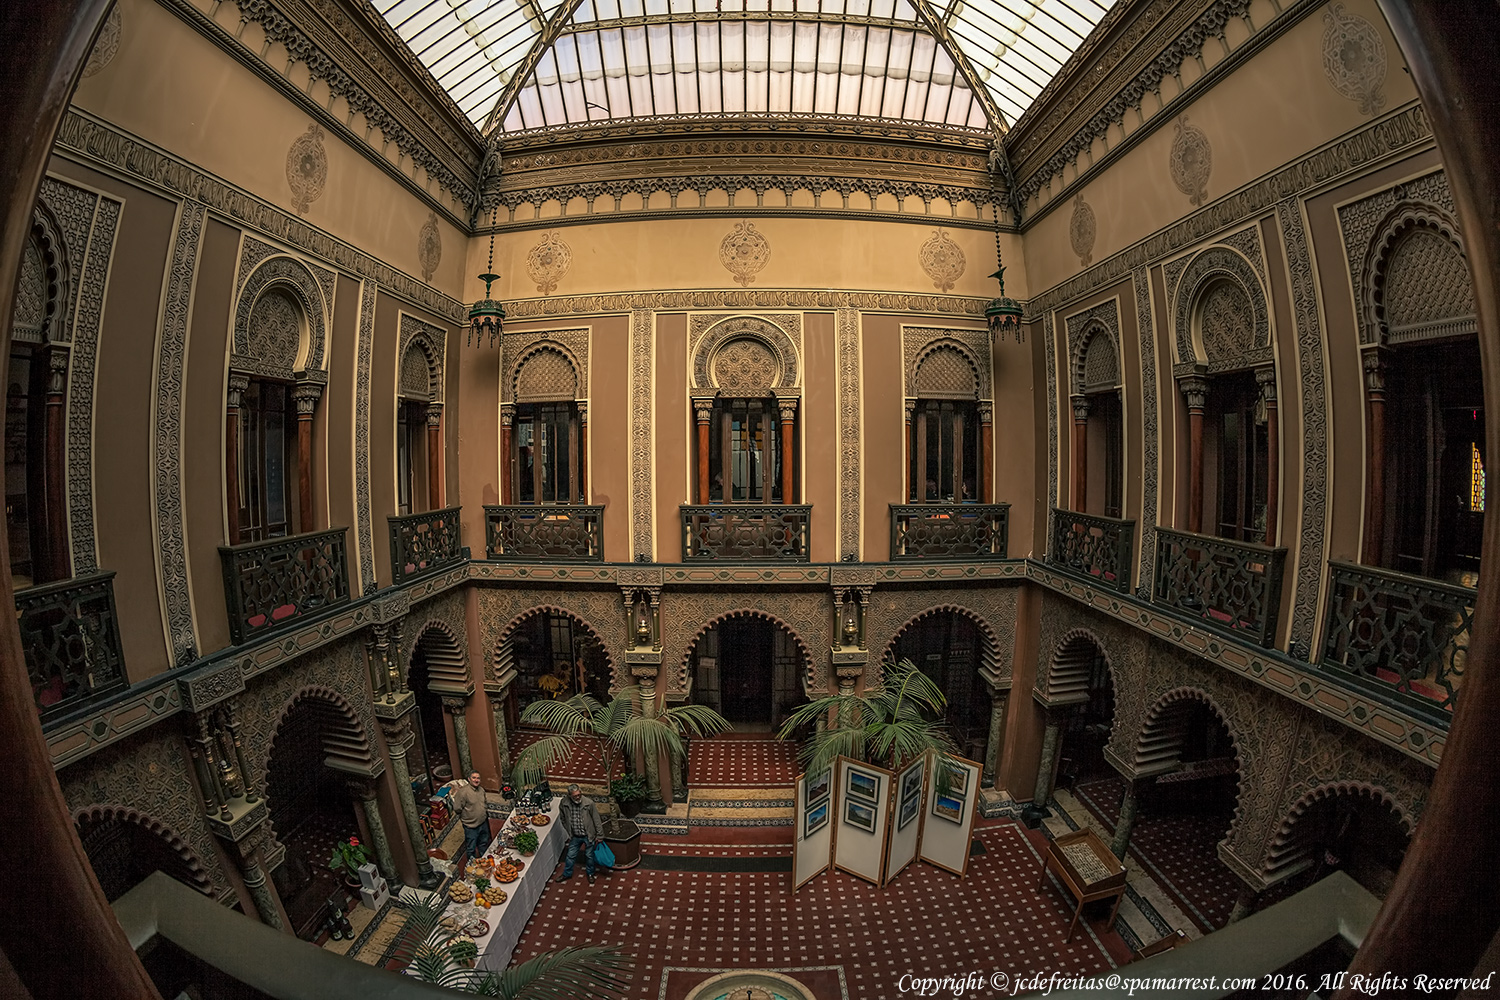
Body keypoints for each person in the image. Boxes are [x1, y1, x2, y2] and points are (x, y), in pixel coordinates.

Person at [554, 783, 604, 885]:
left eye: (578, 794)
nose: (577, 797)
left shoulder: (588, 803)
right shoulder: (564, 803)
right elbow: (563, 818)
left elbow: (596, 819)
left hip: (588, 835)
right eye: (574, 796)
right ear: (569, 796)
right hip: (575, 836)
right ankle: (567, 874)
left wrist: (600, 835)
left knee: (589, 856)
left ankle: (590, 874)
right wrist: (568, 830)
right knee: (570, 856)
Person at [445, 771, 491, 862]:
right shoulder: (463, 793)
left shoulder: (481, 790)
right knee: (471, 847)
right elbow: (457, 808)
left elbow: (484, 803)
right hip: (471, 826)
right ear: (469, 779)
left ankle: (485, 862)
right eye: (474, 778)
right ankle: (472, 866)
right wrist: (467, 816)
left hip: (483, 822)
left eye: (478, 778)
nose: (476, 780)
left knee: (483, 843)